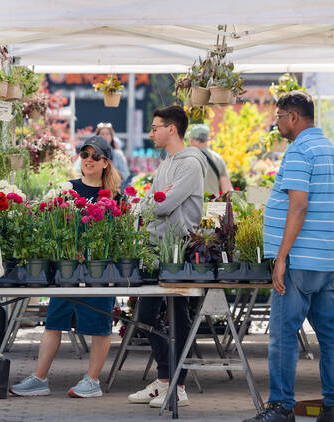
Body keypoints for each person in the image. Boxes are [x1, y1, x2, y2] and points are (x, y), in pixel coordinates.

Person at [243, 91, 334, 422]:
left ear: (293, 117)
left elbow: (298, 205)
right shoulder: (330, 150)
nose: (275, 123)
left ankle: (281, 408)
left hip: (300, 259)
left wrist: (281, 257)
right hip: (326, 258)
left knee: (285, 335)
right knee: (329, 333)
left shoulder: (300, 150)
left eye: (278, 117)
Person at [10, 135, 121, 399]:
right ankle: (39, 378)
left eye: (95, 156)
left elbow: (119, 234)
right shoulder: (68, 189)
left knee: (100, 324)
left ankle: (92, 380)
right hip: (67, 268)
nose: (89, 161)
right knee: (54, 322)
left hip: (99, 270)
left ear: (106, 162)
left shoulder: (115, 196)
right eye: (85, 155)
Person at [127, 105, 206, 408]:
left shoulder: (190, 164)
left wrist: (157, 200)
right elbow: (151, 200)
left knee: (177, 313)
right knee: (146, 316)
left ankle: (178, 385)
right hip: (157, 248)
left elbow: (160, 206)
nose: (151, 133)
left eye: (155, 126)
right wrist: (155, 200)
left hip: (179, 249)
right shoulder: (166, 163)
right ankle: (165, 380)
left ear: (171, 129)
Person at [187, 123, 233, 196]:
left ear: (191, 140)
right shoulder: (218, 158)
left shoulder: (185, 157)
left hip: (193, 205)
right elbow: (227, 189)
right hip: (213, 205)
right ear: (208, 139)